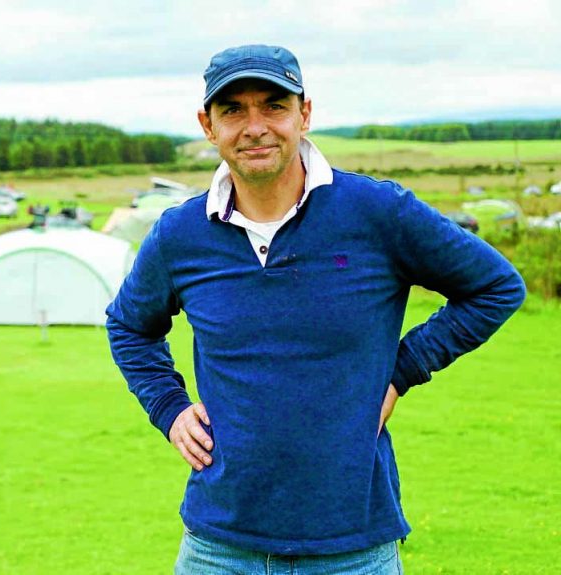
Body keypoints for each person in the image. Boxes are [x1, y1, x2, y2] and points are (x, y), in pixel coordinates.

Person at [105, 44, 526, 574]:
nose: (254, 126)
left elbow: (495, 286)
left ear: (305, 114)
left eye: (274, 105)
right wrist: (168, 407)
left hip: (353, 548)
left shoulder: (378, 213)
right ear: (207, 126)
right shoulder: (180, 234)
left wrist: (402, 371)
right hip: (218, 548)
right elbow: (127, 325)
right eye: (232, 109)